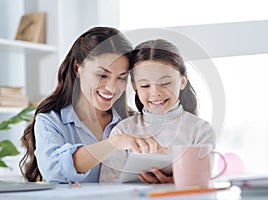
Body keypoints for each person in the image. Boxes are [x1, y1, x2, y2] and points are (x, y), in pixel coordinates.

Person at [19, 27, 163, 183]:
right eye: (102, 75)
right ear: (77, 68)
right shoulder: (51, 121)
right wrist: (114, 142)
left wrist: (165, 178)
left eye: (121, 78)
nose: (112, 88)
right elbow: (54, 170)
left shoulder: (133, 122)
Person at [101, 39, 216, 184]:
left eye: (165, 83)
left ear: (182, 81)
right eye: (145, 85)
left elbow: (203, 184)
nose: (155, 93)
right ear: (135, 87)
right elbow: (107, 183)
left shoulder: (201, 131)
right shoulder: (123, 131)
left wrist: (178, 183)